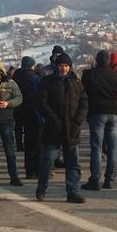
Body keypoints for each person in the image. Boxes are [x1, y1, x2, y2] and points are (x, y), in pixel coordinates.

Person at [35, 53, 88, 203]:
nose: (63, 68)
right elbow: (41, 103)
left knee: (73, 164)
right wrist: (52, 118)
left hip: (71, 129)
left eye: (66, 66)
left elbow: (84, 103)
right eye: (61, 65)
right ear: (56, 67)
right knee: (47, 161)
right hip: (53, 129)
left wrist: (78, 120)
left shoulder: (76, 83)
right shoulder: (47, 82)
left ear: (70, 67)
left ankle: (73, 192)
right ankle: (41, 189)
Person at [81, 50, 117, 191]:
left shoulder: (89, 75)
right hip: (113, 113)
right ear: (108, 61)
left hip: (96, 113)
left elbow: (83, 94)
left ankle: (95, 179)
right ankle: (110, 179)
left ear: (96, 60)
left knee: (97, 148)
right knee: (113, 148)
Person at [13, 56, 42, 179]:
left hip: (19, 110)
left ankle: (29, 170)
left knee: (28, 142)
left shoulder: (15, 76)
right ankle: (37, 169)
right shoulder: (34, 77)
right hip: (34, 112)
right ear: (31, 66)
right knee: (37, 143)